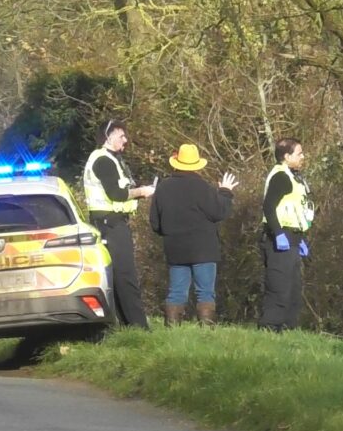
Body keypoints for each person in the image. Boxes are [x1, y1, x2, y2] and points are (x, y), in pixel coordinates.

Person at [149, 144, 238, 327]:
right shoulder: (203, 187)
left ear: (176, 163)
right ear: (197, 165)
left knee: (176, 292)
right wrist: (225, 192)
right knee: (205, 292)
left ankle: (172, 330)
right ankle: (206, 332)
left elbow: (155, 223)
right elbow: (219, 212)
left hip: (175, 248)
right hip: (203, 249)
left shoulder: (163, 188)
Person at [83, 119, 155, 328]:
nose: (125, 140)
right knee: (125, 276)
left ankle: (126, 325)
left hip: (109, 222)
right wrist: (142, 192)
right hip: (111, 224)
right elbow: (116, 194)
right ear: (109, 137)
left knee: (118, 276)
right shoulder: (104, 160)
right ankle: (139, 327)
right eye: (121, 136)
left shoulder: (108, 159)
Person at [260, 138, 313, 332]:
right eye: (299, 153)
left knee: (293, 289)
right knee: (279, 287)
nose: (303, 157)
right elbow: (268, 206)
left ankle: (288, 328)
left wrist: (301, 239)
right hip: (279, 240)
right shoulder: (281, 177)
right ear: (286, 156)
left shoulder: (293, 176)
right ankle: (269, 327)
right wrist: (278, 233)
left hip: (293, 238)